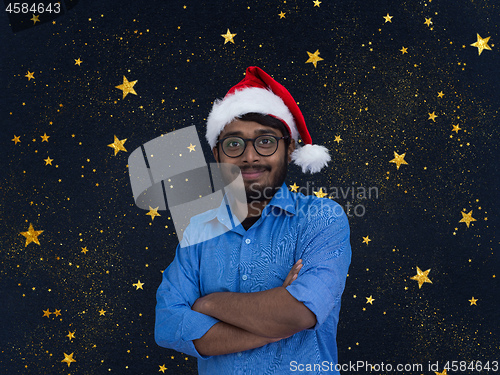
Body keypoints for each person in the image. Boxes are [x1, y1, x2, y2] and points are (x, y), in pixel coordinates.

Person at [155, 66, 351, 374]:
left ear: (289, 150)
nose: (249, 157)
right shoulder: (198, 230)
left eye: (266, 142)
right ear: (218, 154)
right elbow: (168, 325)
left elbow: (300, 313)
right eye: (234, 144)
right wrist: (273, 319)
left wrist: (209, 304)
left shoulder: (321, 218)